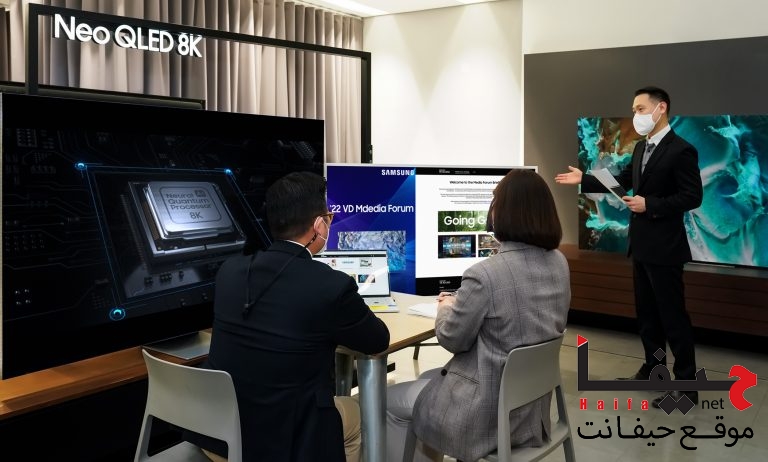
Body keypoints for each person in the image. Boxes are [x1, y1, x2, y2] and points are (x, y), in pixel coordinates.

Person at [202, 171, 390, 462]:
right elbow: (377, 340)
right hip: (288, 445)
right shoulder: (331, 286)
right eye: (329, 218)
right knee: (356, 414)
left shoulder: (229, 271)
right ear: (318, 225)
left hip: (217, 436)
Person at [386, 169, 571, 462]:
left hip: (484, 419)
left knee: (387, 401)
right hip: (531, 413)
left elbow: (452, 339)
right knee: (431, 378)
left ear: (502, 212)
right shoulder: (559, 263)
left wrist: (446, 307)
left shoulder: (485, 274)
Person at [555, 86, 703, 407]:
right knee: (647, 315)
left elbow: (693, 197)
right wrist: (585, 178)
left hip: (666, 249)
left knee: (673, 318)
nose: (635, 115)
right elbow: (621, 179)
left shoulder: (682, 150)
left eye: (640, 109)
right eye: (634, 110)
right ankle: (654, 370)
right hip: (641, 247)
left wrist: (651, 204)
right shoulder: (640, 148)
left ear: (661, 108)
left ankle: (687, 386)